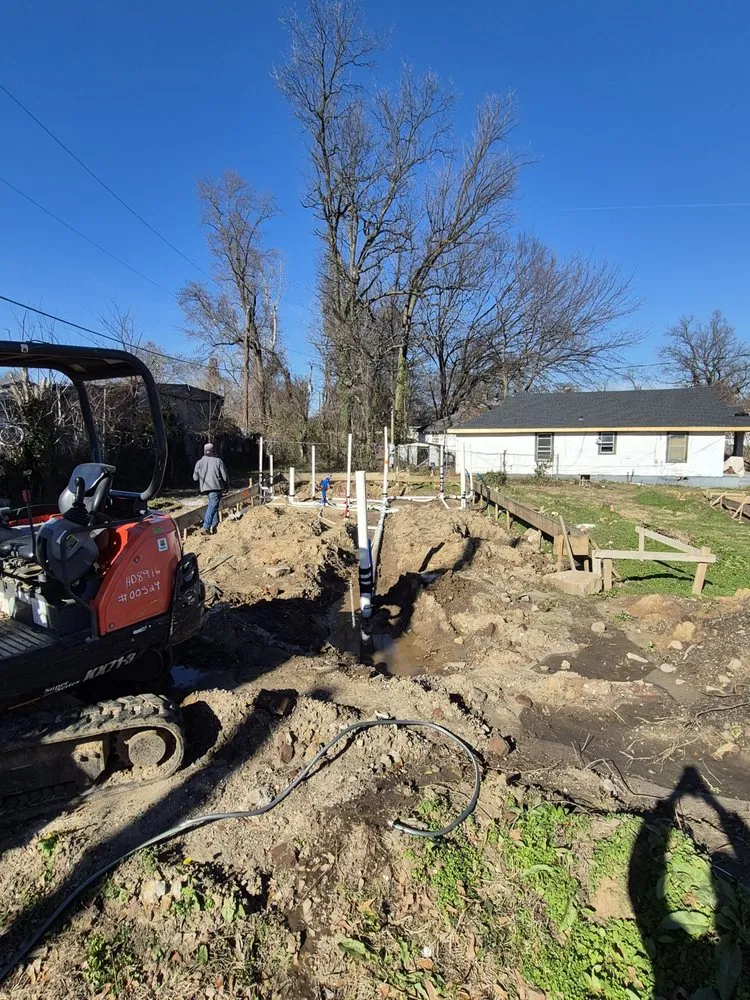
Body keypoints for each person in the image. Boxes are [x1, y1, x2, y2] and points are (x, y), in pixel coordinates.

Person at [193, 443, 228, 534]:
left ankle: (215, 525)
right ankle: (206, 527)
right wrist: (226, 485)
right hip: (215, 487)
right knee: (212, 505)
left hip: (205, 488)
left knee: (213, 505)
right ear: (214, 450)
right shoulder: (218, 461)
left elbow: (195, 478)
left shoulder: (199, 462)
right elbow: (225, 476)